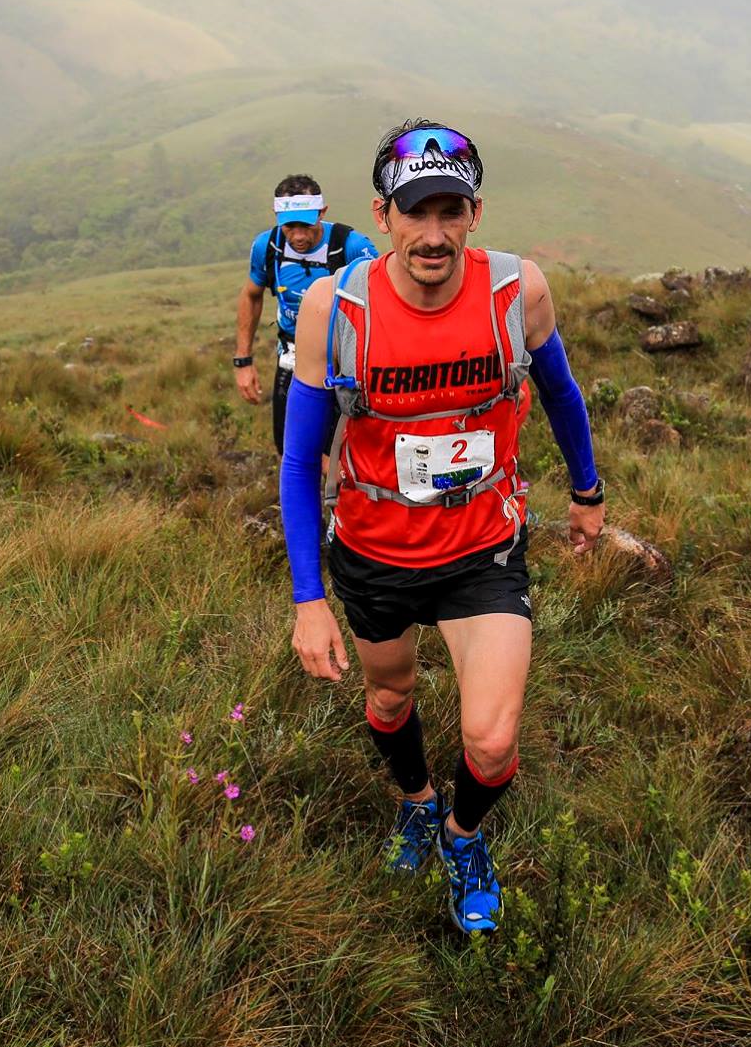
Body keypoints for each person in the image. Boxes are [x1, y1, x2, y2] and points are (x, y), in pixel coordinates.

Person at [277, 120, 605, 933]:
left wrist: (588, 491)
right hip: (372, 551)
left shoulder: (516, 292)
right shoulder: (334, 307)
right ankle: (418, 803)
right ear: (382, 216)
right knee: (390, 695)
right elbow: (297, 460)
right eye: (414, 212)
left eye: (449, 210)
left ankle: (463, 836)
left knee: (490, 742)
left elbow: (562, 394)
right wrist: (307, 597)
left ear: (474, 212)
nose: (433, 234)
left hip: (480, 551)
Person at [235, 175, 377, 451]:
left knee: (346, 447)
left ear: (322, 213)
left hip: (343, 357)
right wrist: (243, 361)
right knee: (290, 445)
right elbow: (251, 295)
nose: (298, 236)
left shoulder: (352, 246)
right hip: (292, 353)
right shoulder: (268, 247)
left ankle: (341, 492)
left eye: (306, 224)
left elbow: (380, 304)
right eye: (289, 226)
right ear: (277, 217)